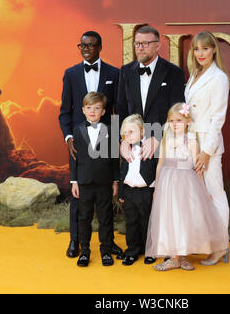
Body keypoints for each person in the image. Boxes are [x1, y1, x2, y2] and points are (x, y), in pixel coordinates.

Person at [59, 31, 123, 259]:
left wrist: (118, 138)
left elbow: (117, 110)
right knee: (80, 197)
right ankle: (76, 241)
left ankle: (109, 244)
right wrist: (69, 138)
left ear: (100, 46)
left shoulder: (114, 73)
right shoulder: (71, 74)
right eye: (82, 46)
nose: (85, 49)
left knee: (105, 201)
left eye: (90, 45)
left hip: (106, 141)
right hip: (79, 142)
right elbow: (65, 111)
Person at [145, 103, 229, 271]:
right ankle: (173, 257)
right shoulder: (165, 139)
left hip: (186, 183)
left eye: (179, 120)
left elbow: (197, 168)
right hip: (168, 183)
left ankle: (181, 256)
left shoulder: (191, 141)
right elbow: (160, 163)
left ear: (188, 121)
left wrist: (203, 190)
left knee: (184, 219)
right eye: (171, 120)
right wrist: (157, 187)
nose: (175, 124)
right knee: (170, 218)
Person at [185, 30, 230, 265]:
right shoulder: (194, 74)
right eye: (196, 49)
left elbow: (217, 118)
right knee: (199, 196)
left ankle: (221, 246)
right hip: (192, 142)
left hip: (208, 145)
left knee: (215, 193)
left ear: (214, 49)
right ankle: (204, 242)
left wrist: (207, 151)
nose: (200, 53)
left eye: (205, 48)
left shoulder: (219, 77)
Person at [116, 25, 185, 170]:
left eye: (145, 43)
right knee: (131, 191)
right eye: (137, 43)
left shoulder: (174, 72)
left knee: (161, 191)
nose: (140, 48)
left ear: (157, 45)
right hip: (132, 148)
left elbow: (177, 112)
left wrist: (158, 137)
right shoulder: (126, 71)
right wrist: (122, 140)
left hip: (163, 147)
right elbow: (121, 108)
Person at [70, 92, 120, 267]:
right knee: (84, 218)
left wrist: (115, 181)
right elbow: (73, 157)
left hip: (104, 182)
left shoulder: (111, 130)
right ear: (83, 110)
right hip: (84, 182)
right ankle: (84, 251)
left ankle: (106, 251)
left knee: (106, 217)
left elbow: (115, 158)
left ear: (103, 111)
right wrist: (74, 181)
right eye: (89, 108)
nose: (93, 111)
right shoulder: (77, 130)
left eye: (97, 108)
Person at [117, 114, 157, 266]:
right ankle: (132, 250)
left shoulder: (149, 148)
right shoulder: (126, 150)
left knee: (147, 222)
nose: (128, 136)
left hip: (146, 191)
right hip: (129, 191)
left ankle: (150, 251)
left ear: (142, 131)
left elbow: (155, 169)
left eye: (131, 132)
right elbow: (123, 172)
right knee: (131, 222)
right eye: (125, 133)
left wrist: (155, 190)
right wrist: (121, 192)